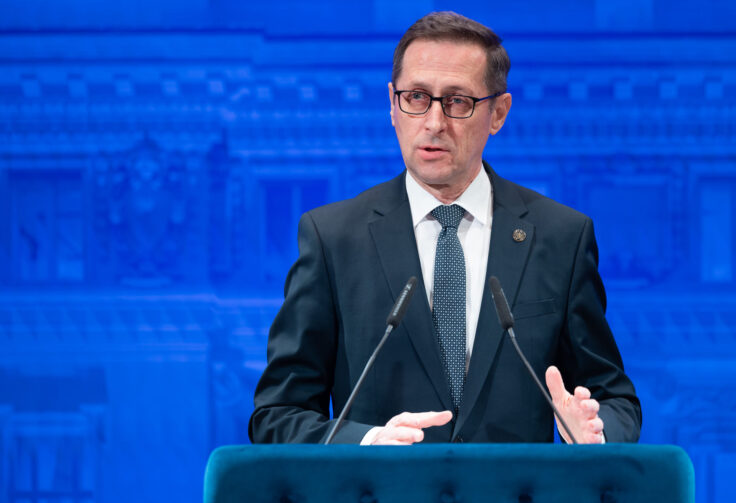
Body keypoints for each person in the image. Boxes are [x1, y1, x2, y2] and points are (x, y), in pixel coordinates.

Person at [249, 11, 641, 445]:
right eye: (416, 97)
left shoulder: (561, 236)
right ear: (392, 105)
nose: (434, 122)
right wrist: (364, 444)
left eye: (457, 101)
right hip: (381, 486)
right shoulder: (333, 238)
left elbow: (614, 400)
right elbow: (277, 415)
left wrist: (595, 433)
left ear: (498, 113)